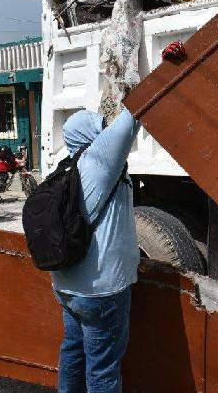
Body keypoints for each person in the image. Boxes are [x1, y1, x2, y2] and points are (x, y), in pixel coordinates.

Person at [52, 107, 140, 393]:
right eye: (100, 125)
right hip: (101, 290)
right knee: (103, 367)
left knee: (73, 353)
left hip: (67, 286)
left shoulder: (67, 168)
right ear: (90, 134)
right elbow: (131, 119)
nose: (105, 129)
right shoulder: (98, 163)